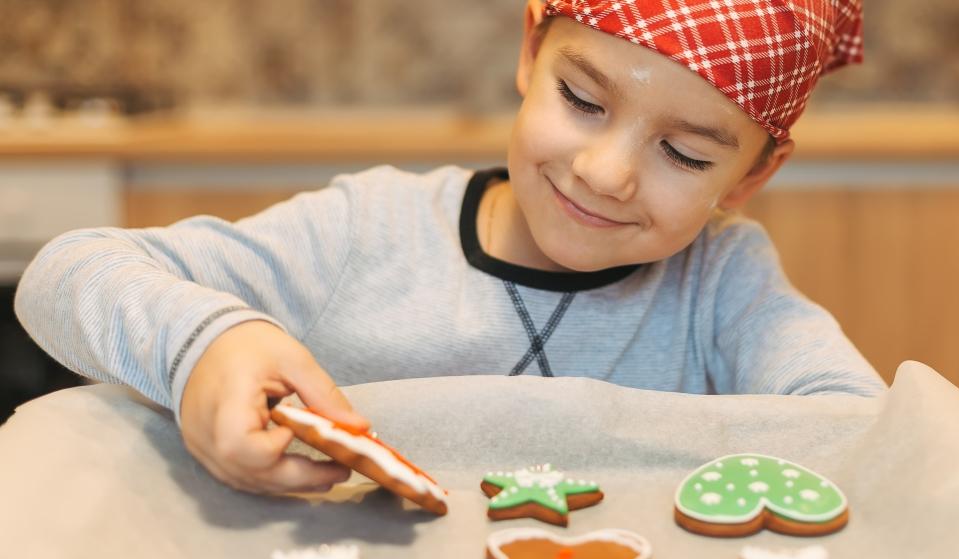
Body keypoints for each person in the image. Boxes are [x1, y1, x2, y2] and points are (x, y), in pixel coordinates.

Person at [15, 0, 880, 495]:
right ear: (530, 53)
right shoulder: (369, 232)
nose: (606, 172)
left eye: (685, 153)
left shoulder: (723, 281)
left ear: (753, 174)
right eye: (582, 99)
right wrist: (204, 347)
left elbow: (857, 428)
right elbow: (67, 270)